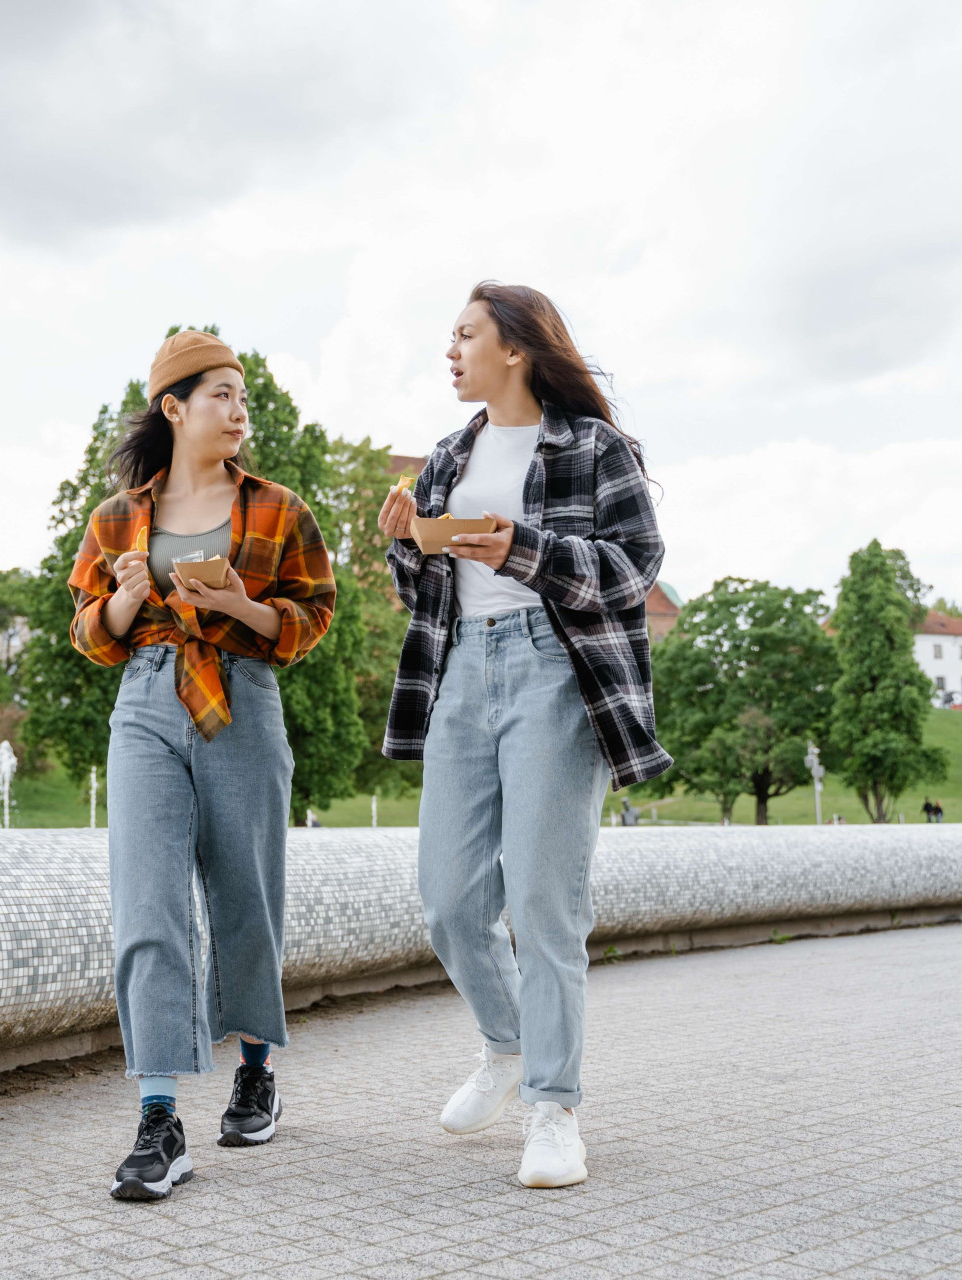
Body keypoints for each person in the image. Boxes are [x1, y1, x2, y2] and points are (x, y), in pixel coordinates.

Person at [377, 282, 670, 1189]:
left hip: (555, 669)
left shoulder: (594, 447)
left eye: (465, 335)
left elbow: (635, 568)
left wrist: (519, 549)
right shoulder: (446, 455)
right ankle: (507, 1045)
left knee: (544, 902)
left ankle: (554, 1107)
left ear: (516, 348)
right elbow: (422, 591)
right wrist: (408, 545)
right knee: (449, 900)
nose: (451, 350)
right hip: (463, 671)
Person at [69, 330, 335, 1202]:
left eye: (242, 393)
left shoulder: (279, 508)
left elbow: (312, 616)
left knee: (246, 895)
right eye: (220, 393)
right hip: (145, 701)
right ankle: (158, 1118)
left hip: (241, 694)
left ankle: (255, 1070)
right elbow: (86, 633)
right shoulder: (115, 519)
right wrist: (122, 602)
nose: (238, 408)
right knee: (146, 905)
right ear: (173, 408)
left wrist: (240, 606)